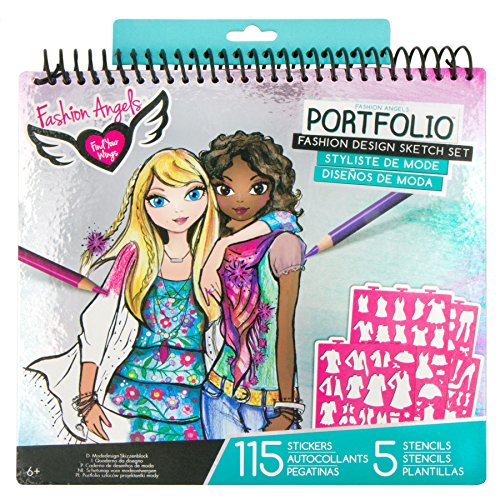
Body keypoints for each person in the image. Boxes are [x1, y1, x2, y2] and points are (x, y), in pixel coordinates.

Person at [27, 149, 220, 443]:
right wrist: (87, 400)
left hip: (194, 406)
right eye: (159, 200)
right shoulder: (134, 258)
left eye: (192, 194)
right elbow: (97, 328)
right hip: (126, 402)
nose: (178, 209)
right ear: (143, 204)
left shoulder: (212, 262)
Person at [199, 131, 306, 437]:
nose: (240, 199)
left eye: (256, 187)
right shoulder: (211, 241)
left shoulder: (283, 244)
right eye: (225, 189)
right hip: (218, 392)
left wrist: (288, 408)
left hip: (268, 403)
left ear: (273, 187)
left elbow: (284, 327)